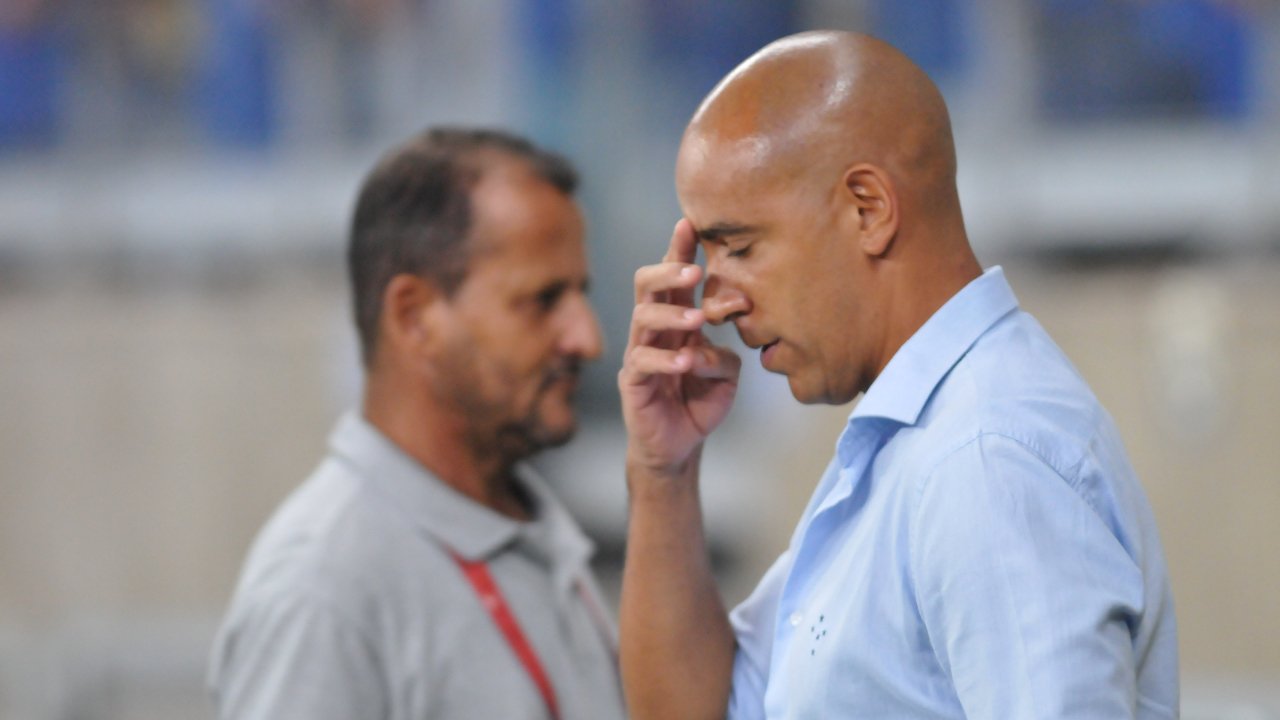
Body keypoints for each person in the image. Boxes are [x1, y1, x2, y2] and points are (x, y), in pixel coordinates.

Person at [618, 31, 1178, 719]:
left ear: (868, 209)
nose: (718, 301)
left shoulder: (984, 457)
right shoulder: (915, 444)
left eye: (738, 247)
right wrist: (662, 472)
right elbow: (699, 709)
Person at [209, 127, 625, 720]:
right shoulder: (324, 592)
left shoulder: (534, 532)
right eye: (542, 299)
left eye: (581, 295)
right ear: (414, 316)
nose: (587, 339)